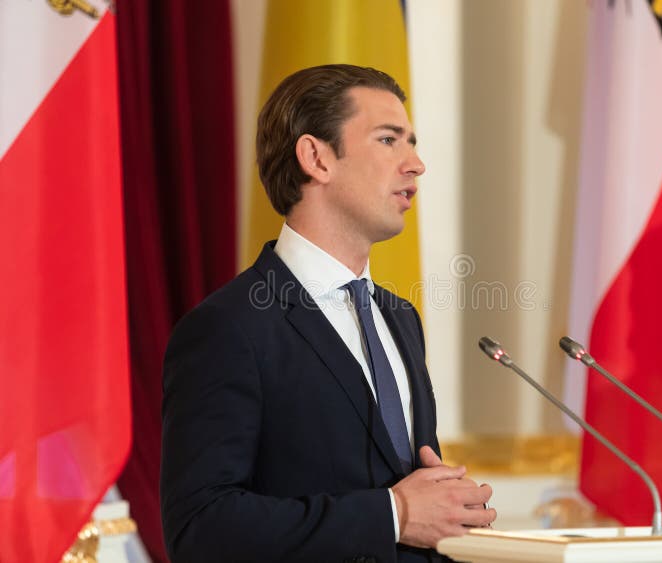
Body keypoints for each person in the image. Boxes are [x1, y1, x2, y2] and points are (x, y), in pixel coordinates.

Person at [160, 64, 496, 563]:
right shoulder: (229, 328)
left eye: (412, 142)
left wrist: (448, 512)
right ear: (316, 158)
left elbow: (414, 508)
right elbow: (200, 527)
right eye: (389, 140)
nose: (417, 164)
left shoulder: (399, 317)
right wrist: (393, 514)